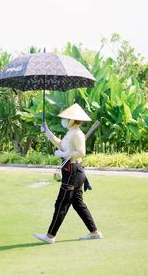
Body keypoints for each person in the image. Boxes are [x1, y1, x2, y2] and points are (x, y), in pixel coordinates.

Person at [34, 103, 102, 244]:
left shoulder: (77, 134)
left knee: (61, 203)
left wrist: (65, 154)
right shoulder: (70, 132)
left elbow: (81, 152)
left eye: (66, 118)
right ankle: (95, 232)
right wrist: (48, 133)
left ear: (72, 120)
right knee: (78, 204)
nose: (64, 119)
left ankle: (50, 236)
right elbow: (61, 144)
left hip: (73, 171)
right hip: (71, 171)